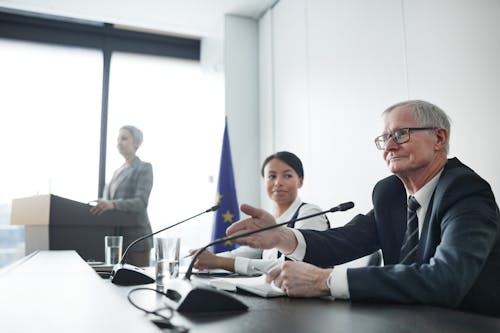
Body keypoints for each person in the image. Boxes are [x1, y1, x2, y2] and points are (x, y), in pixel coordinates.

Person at [227, 100, 500, 316]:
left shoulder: (465, 191)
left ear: (439, 138)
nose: (389, 146)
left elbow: (446, 279)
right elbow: (344, 241)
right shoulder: (390, 193)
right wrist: (282, 237)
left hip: (467, 322)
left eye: (401, 134)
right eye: (384, 138)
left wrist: (325, 281)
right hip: (406, 320)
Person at [190, 151, 330, 275]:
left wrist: (219, 262)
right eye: (271, 176)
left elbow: (293, 268)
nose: (278, 183)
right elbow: (243, 254)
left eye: (287, 176)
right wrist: (203, 258)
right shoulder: (270, 220)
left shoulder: (311, 212)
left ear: (300, 181)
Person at [90, 125, 154, 267]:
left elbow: (140, 202)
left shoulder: (144, 168)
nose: (119, 142)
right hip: (116, 240)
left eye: (124, 138)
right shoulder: (117, 172)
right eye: (118, 138)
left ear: (137, 143)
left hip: (137, 240)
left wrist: (112, 204)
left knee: (139, 284)